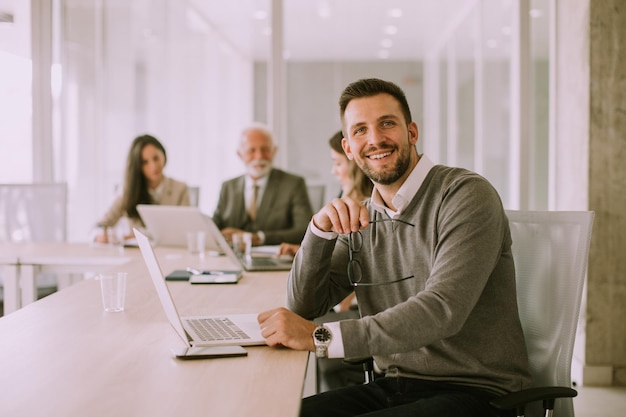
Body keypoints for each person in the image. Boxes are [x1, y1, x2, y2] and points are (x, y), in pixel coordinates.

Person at [257, 78, 531, 417]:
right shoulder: (363, 217)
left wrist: (321, 337)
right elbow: (303, 305)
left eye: (387, 123)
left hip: (479, 392)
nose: (375, 139)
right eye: (360, 130)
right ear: (348, 148)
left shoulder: (465, 195)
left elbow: (443, 309)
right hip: (395, 387)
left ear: (412, 132)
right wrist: (319, 233)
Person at [212, 123, 313, 246]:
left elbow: (304, 230)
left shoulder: (294, 184)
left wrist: (259, 238)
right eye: (251, 150)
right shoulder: (228, 187)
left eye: (265, 149)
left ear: (274, 151)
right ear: (240, 154)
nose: (259, 156)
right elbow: (214, 227)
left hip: (275, 260)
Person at [94, 134, 189, 243]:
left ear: (163, 155)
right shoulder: (129, 193)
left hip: (170, 253)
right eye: (145, 162)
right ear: (137, 166)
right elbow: (100, 225)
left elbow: (185, 231)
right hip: (137, 255)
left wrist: (136, 235)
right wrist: (99, 235)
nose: (153, 166)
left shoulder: (180, 189)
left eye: (156, 158)